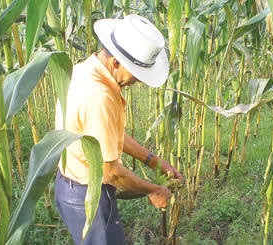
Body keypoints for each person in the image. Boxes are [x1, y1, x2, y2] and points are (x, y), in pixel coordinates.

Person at [54, 14, 182, 245]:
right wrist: (154, 190)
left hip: (71, 187)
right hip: (87, 195)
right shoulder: (100, 96)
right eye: (137, 74)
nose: (139, 81)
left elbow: (104, 133)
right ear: (115, 63)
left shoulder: (84, 70)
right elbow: (109, 172)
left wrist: (152, 160)